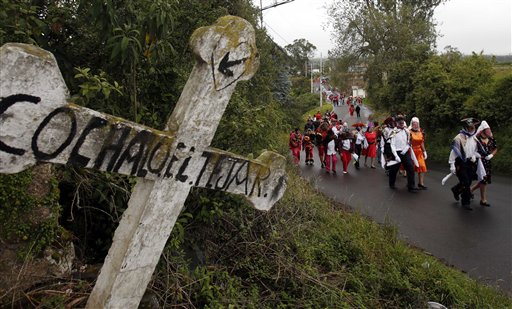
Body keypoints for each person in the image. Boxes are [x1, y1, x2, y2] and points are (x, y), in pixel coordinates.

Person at [448, 118, 486, 210]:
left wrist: (474, 155)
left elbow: (476, 151)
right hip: (461, 163)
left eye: (473, 127)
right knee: (466, 182)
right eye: (470, 127)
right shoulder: (459, 137)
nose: (472, 128)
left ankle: (456, 190)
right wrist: (452, 164)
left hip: (470, 163)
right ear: (466, 127)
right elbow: (454, 152)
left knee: (468, 181)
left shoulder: (474, 138)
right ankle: (466, 202)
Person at [470, 121, 497, 207]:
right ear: (482, 130)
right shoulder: (476, 139)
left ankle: (470, 190)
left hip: (487, 162)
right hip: (478, 162)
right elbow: (471, 149)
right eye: (487, 130)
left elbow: (495, 148)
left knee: (484, 180)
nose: (489, 132)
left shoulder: (491, 139)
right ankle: (483, 199)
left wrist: (491, 155)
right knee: (482, 180)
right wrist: (476, 155)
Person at [388, 116, 418, 192]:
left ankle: (411, 186)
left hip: (405, 152)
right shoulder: (393, 132)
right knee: (393, 170)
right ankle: (391, 184)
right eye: (400, 122)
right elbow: (392, 145)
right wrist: (396, 155)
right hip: (396, 152)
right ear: (396, 123)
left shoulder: (406, 131)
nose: (402, 123)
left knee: (410, 168)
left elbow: (409, 142)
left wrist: (406, 148)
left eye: (403, 122)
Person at [409, 117, 428, 189]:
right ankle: (411, 184)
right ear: (412, 124)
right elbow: (407, 143)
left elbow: (421, 143)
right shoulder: (409, 132)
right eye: (414, 124)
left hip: (419, 152)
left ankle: (421, 183)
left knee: (422, 167)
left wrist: (424, 151)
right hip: (411, 152)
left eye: (416, 124)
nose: (415, 125)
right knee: (411, 169)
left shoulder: (420, 132)